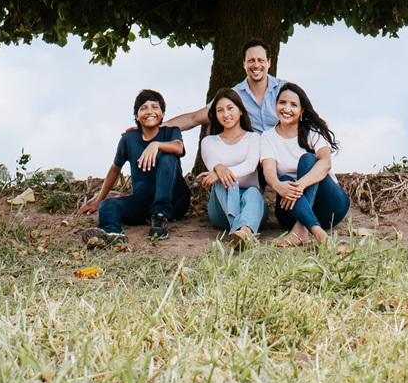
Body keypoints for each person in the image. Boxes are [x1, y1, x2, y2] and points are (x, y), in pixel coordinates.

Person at [77, 89, 190, 245]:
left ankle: (160, 216)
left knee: (166, 155)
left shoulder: (171, 132)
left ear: (162, 114)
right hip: (145, 199)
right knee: (109, 204)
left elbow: (178, 147)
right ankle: (111, 233)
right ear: (137, 116)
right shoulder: (128, 139)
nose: (149, 111)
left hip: (174, 198)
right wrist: (97, 202)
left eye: (154, 107)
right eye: (143, 108)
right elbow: (115, 169)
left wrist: (156, 145)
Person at [259, 82, 350, 246]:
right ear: (276, 105)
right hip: (292, 212)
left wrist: (300, 185)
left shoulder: (311, 132)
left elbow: (326, 163)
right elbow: (269, 171)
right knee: (286, 178)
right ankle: (315, 230)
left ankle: (302, 230)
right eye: (282, 103)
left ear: (301, 111)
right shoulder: (267, 137)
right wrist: (277, 185)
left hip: (329, 206)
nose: (287, 109)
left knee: (308, 160)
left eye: (293, 105)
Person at [166, 40, 286, 135]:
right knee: (212, 127)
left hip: (282, 152)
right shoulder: (234, 95)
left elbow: (303, 116)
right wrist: (157, 129)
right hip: (251, 157)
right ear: (243, 64)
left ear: (269, 63)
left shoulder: (285, 89)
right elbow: (194, 118)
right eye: (251, 60)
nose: (256, 65)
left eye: (260, 60)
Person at [198, 87, 265, 248]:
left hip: (252, 208)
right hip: (220, 210)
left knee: (254, 192)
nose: (226, 114)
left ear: (241, 111)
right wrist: (219, 170)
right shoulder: (209, 141)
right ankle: (239, 228)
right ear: (215, 115)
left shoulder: (253, 138)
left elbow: (250, 166)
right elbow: (212, 161)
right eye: (220, 110)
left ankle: (244, 231)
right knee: (224, 180)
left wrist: (221, 171)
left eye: (230, 108)